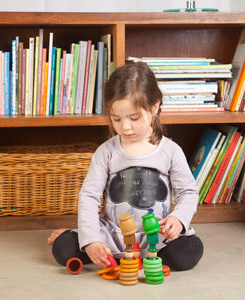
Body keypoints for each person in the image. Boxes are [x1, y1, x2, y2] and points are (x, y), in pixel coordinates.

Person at [48, 61, 203, 271]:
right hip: (112, 235)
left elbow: (188, 192)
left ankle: (145, 255)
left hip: (156, 235)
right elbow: (89, 196)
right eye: (116, 119)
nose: (125, 127)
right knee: (64, 248)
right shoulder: (107, 151)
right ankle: (85, 238)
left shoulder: (170, 151)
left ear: (155, 107)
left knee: (188, 252)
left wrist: (178, 219)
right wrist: (91, 239)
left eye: (133, 118)